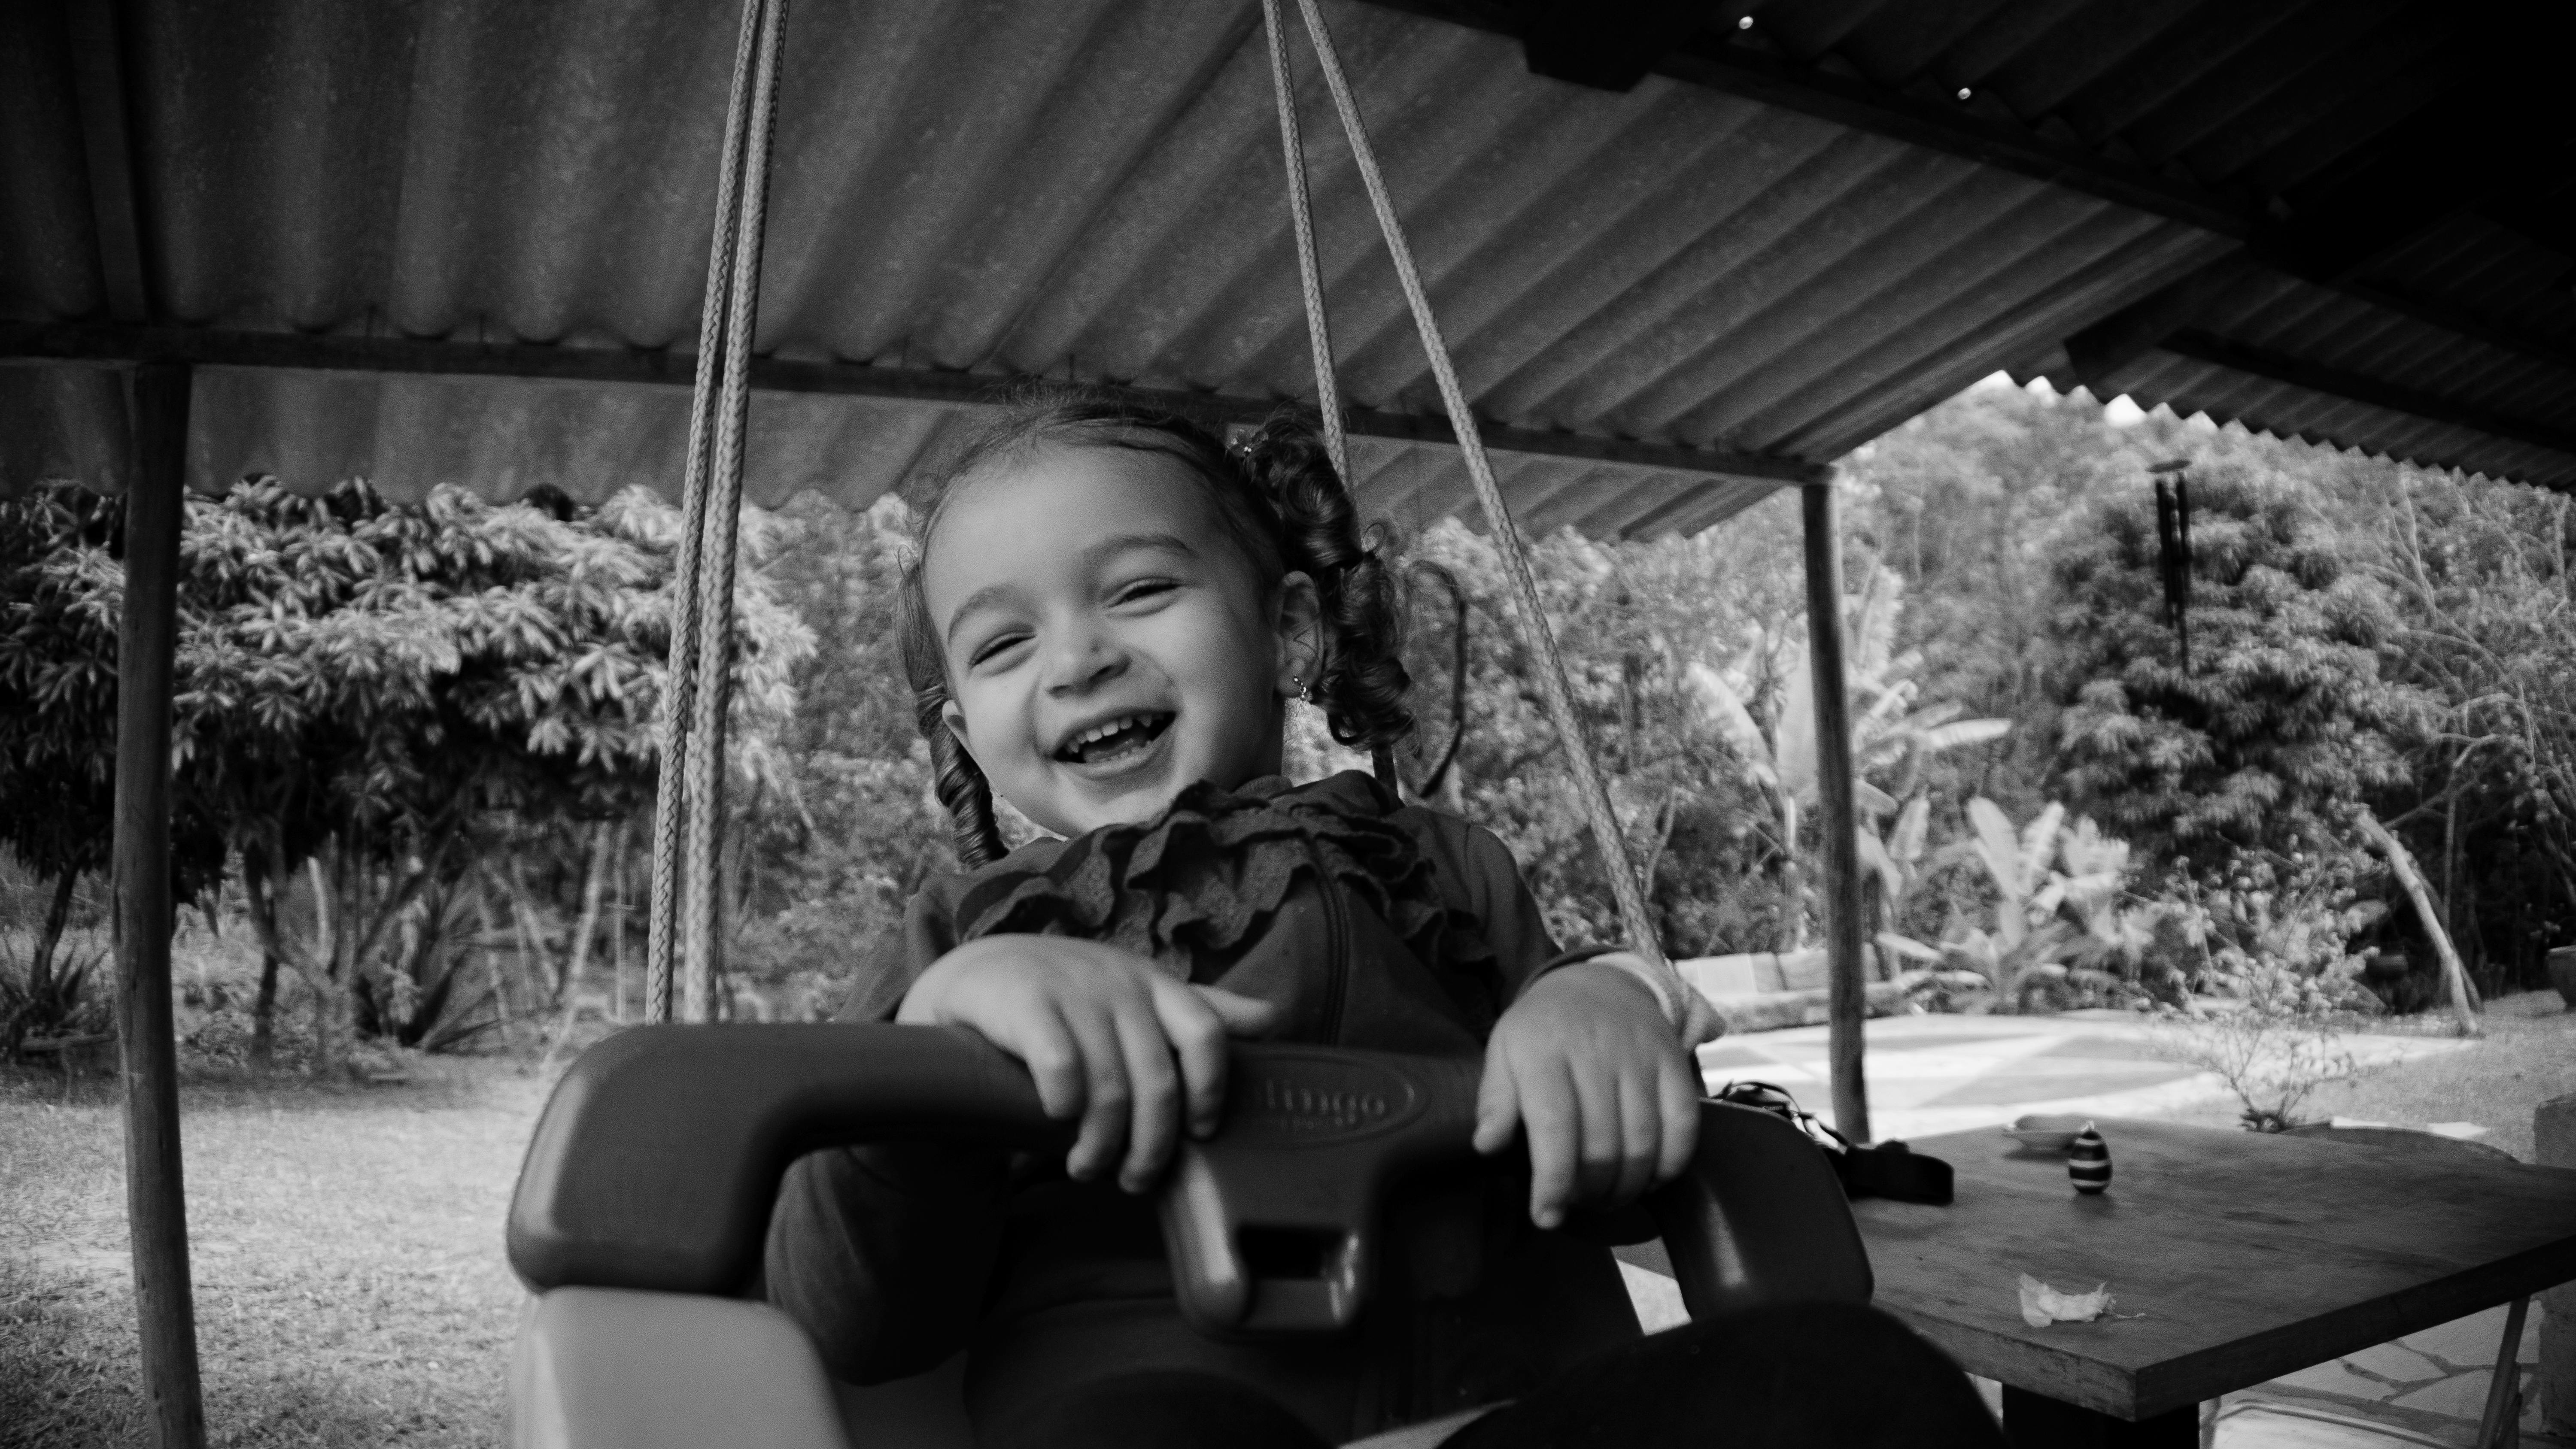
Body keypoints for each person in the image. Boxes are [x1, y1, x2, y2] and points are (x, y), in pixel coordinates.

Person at [764, 393, 2003, 1449]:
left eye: (1139, 589)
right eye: (1003, 644)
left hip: (1505, 1418)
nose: (1077, 659)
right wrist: (941, 1042)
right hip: (1165, 1418)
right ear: (964, 734)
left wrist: (1595, 1006)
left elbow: (1620, 1163)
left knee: (1858, 1385)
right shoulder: (964, 938)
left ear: (1290, 630)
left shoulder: (1438, 866)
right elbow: (857, 1315)